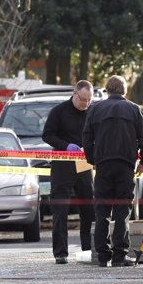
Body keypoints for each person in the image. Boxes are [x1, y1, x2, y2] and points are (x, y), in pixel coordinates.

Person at [82, 75, 143, 267]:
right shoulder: (135, 110)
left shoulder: (95, 109)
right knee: (122, 210)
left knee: (102, 210)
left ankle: (102, 256)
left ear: (107, 89)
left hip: (103, 165)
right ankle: (120, 255)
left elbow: (86, 138)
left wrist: (93, 160)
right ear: (124, 90)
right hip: (125, 166)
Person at [42, 80, 96, 264]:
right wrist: (65, 146)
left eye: (89, 100)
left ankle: (88, 249)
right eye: (83, 100)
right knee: (60, 209)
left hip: (83, 163)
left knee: (88, 208)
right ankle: (60, 253)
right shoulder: (59, 111)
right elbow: (47, 135)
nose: (86, 104)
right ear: (74, 94)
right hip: (62, 163)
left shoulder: (92, 112)